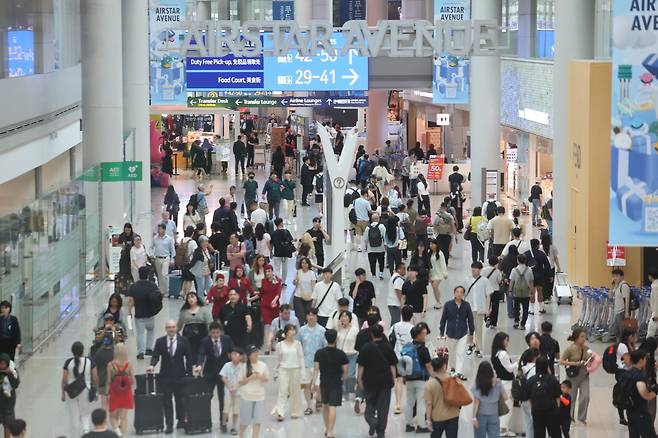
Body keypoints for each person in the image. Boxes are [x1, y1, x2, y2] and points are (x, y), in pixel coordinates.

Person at [147, 320, 193, 434]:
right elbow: (155, 355)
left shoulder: (184, 341)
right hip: (165, 377)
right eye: (169, 327)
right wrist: (152, 365)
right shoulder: (160, 341)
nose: (171, 329)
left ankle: (181, 420)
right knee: (167, 401)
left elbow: (189, 358)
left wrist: (189, 373)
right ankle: (169, 424)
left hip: (180, 376)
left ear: (176, 328)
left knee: (180, 400)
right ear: (166, 329)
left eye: (173, 327)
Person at [357, 323, 398, 438]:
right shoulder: (388, 347)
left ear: (371, 334)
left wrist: (359, 379)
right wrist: (393, 378)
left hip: (369, 381)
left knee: (369, 404)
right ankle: (381, 432)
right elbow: (392, 365)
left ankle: (372, 421)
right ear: (382, 333)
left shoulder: (366, 348)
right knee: (383, 408)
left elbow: (361, 366)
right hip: (385, 381)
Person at [194, 321, 234, 433]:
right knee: (207, 397)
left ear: (220, 332)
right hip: (209, 373)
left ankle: (223, 422)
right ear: (209, 333)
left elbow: (233, 352)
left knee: (223, 399)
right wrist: (199, 365)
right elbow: (201, 354)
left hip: (223, 373)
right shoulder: (205, 341)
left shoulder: (227, 339)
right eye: (213, 333)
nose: (215, 335)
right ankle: (206, 422)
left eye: (217, 332)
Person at [311, 329, 349, 438]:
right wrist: (343, 379)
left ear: (325, 338)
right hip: (336, 383)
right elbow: (346, 370)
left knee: (325, 406)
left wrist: (313, 383)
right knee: (333, 407)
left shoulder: (319, 353)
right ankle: (330, 431)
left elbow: (316, 369)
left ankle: (327, 428)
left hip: (324, 383)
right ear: (336, 338)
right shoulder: (341, 354)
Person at [439, 286, 475, 381]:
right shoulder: (448, 305)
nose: (459, 294)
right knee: (451, 352)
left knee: (460, 352)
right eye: (457, 292)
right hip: (450, 332)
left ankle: (459, 372)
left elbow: (470, 319)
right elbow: (443, 319)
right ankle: (452, 369)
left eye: (461, 292)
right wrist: (441, 331)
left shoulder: (466, 305)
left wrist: (472, 332)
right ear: (454, 293)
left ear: (463, 294)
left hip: (462, 332)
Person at [404, 324, 433, 433]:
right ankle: (421, 425)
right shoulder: (423, 349)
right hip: (421, 379)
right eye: (423, 333)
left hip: (408, 379)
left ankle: (408, 424)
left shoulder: (407, 347)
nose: (425, 335)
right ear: (418, 335)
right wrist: (434, 376)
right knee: (421, 402)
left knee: (409, 402)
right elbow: (428, 365)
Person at [127, 266, 161, 359]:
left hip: (139, 314)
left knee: (140, 333)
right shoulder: (153, 286)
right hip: (150, 313)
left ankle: (140, 352)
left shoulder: (134, 286)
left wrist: (129, 312)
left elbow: (130, 301)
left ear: (139, 274)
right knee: (151, 330)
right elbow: (157, 298)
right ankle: (149, 349)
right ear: (148, 275)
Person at [297, 309, 327, 414]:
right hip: (305, 362)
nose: (311, 317)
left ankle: (319, 399)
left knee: (318, 385)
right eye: (309, 315)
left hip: (318, 364)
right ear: (306, 317)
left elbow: (325, 346)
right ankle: (309, 406)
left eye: (313, 315)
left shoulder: (322, 330)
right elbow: (298, 345)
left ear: (316, 317)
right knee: (307, 385)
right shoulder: (301, 330)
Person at [559, 328, 591, 425]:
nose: (583, 339)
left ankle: (582, 418)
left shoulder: (586, 349)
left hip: (584, 375)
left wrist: (590, 362)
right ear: (576, 337)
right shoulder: (570, 349)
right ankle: (569, 416)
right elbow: (561, 361)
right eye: (582, 336)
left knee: (585, 396)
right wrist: (574, 363)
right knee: (571, 397)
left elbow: (590, 359)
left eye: (584, 337)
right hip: (572, 376)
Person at [272, 325, 304, 421]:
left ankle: (295, 411)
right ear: (286, 332)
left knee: (295, 391)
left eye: (293, 330)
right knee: (283, 390)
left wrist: (303, 372)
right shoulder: (280, 345)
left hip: (295, 368)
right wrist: (275, 372)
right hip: (283, 369)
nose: (293, 332)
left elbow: (301, 358)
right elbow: (277, 360)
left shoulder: (297, 344)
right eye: (290, 330)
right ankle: (280, 412)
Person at [424, 355, 461, 438]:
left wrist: (428, 420)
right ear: (444, 366)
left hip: (437, 417)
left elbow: (428, 403)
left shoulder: (429, 384)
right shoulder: (454, 381)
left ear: (433, 368)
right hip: (453, 416)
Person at [523, 357, 561, 438]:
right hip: (551, 410)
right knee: (555, 433)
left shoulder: (531, 380)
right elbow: (558, 397)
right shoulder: (552, 379)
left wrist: (534, 406)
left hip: (537, 411)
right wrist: (556, 410)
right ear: (547, 366)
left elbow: (528, 397)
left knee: (539, 434)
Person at [238, 345, 269, 438]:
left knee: (257, 420)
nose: (256, 354)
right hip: (246, 396)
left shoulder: (263, 365)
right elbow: (240, 382)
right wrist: (250, 378)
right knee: (245, 421)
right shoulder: (244, 367)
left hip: (259, 396)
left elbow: (266, 379)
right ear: (249, 355)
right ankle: (241, 435)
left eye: (256, 351)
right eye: (253, 352)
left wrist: (260, 377)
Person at [465, 261, 494, 359]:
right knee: (470, 328)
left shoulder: (485, 281)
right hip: (469, 308)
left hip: (480, 309)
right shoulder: (467, 280)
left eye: (476, 268)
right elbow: (463, 295)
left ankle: (478, 348)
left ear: (480, 270)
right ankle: (470, 344)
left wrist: (487, 309)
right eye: (472, 268)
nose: (473, 270)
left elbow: (488, 295)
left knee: (478, 330)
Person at [626, 349, 657, 437]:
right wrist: (653, 393)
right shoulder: (639, 375)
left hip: (630, 411)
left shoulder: (628, 373)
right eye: (645, 359)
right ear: (641, 360)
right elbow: (643, 392)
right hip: (640, 412)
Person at [62, 342, 91, 435]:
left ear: (72, 351)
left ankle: (75, 434)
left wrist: (62, 393)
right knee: (85, 413)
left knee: (74, 415)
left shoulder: (68, 362)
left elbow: (64, 380)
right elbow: (95, 376)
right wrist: (96, 389)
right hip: (85, 389)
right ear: (83, 350)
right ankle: (86, 431)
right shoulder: (89, 361)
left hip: (71, 392)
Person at [472, 361, 506, 438]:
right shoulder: (498, 383)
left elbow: (476, 402)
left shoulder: (478, 383)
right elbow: (505, 397)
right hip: (494, 415)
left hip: (480, 415)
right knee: (494, 436)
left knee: (480, 436)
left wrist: (473, 417)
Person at [106, 343, 134, 436]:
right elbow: (133, 380)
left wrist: (107, 394)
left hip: (115, 393)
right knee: (123, 417)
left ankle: (117, 432)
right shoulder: (129, 364)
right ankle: (121, 434)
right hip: (126, 393)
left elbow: (109, 381)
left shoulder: (110, 365)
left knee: (113, 416)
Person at [177, 291, 212, 361]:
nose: (190, 299)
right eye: (188, 298)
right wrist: (174, 332)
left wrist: (211, 333)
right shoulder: (184, 311)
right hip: (188, 335)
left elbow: (209, 322)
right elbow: (179, 324)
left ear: (197, 298)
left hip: (202, 334)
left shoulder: (204, 309)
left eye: (192, 297)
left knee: (201, 354)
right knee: (190, 355)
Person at [220, 347, 244, 435]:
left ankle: (234, 427)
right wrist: (230, 387)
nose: (233, 356)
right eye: (232, 354)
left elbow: (243, 379)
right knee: (226, 408)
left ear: (240, 356)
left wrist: (236, 387)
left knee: (236, 410)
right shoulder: (227, 365)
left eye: (235, 354)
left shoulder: (243, 366)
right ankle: (223, 423)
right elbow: (223, 377)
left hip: (238, 391)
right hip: (228, 390)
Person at [336, 311, 359, 400]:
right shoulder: (338, 329)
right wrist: (338, 329)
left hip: (352, 354)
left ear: (350, 319)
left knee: (350, 375)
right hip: (341, 355)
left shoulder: (355, 330)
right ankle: (343, 393)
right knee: (341, 375)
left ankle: (351, 390)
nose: (344, 318)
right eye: (342, 317)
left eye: (346, 316)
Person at [525, 239, 551, 315]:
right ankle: (541, 308)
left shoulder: (526, 254)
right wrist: (549, 275)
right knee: (540, 292)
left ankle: (531, 309)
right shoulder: (541, 254)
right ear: (537, 245)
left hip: (530, 276)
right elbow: (547, 265)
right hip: (540, 275)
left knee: (532, 292)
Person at [259, 265, 283, 351]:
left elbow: (278, 292)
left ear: (272, 271)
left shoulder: (278, 280)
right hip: (265, 305)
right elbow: (262, 292)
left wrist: (275, 299)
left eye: (269, 271)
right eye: (266, 271)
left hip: (275, 306)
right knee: (267, 325)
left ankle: (272, 342)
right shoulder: (263, 281)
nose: (268, 273)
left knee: (274, 325)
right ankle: (267, 346)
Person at [510, 254, 534, 330]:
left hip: (516, 292)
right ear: (525, 260)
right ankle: (523, 324)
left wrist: (510, 290)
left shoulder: (514, 270)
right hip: (526, 292)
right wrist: (532, 291)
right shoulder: (529, 270)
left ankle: (516, 321)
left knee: (516, 307)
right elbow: (531, 282)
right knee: (525, 308)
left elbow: (512, 281)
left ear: (517, 260)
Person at [150, 223, 175, 295]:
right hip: (157, 258)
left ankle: (167, 290)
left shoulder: (169, 239)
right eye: (158, 229)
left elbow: (172, 250)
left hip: (166, 258)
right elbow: (151, 247)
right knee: (159, 275)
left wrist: (172, 259)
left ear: (164, 229)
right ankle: (162, 290)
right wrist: (151, 254)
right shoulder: (155, 238)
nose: (159, 230)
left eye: (160, 229)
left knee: (164, 274)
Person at [292, 257, 316, 325]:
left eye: (306, 263)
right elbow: (294, 283)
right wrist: (296, 281)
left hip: (309, 297)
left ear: (308, 264)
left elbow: (313, 285)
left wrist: (314, 296)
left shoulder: (311, 273)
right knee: (300, 316)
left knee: (308, 315)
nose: (304, 264)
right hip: (298, 296)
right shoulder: (298, 272)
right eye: (303, 263)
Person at [271, 218, 294, 286]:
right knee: (285, 268)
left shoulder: (273, 233)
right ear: (281, 223)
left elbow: (271, 243)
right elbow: (291, 240)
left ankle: (278, 281)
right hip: (285, 253)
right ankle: (283, 282)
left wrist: (271, 252)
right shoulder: (286, 231)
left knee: (277, 268)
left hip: (277, 253)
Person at [481, 257, 503, 329]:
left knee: (487, 306)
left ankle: (487, 317)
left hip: (486, 291)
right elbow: (499, 281)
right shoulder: (497, 271)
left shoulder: (483, 270)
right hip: (495, 291)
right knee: (495, 307)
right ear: (496, 263)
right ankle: (493, 323)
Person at [364, 214, 386, 279]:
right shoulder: (381, 226)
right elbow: (384, 236)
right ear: (378, 219)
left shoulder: (368, 227)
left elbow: (366, 238)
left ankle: (373, 274)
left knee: (372, 262)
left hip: (371, 249)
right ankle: (381, 273)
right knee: (381, 261)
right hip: (380, 248)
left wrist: (366, 247)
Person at [611, 269, 631, 339]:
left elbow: (626, 300)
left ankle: (622, 346)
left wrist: (626, 312)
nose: (615, 278)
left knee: (621, 331)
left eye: (617, 276)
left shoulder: (624, 286)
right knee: (616, 331)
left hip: (622, 312)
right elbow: (610, 295)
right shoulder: (617, 286)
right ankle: (620, 345)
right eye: (613, 276)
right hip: (617, 311)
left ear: (622, 276)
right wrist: (613, 285)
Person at [428, 239, 448, 310]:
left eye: (433, 244)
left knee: (435, 286)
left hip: (439, 274)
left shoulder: (440, 253)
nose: (431, 246)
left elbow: (443, 264)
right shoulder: (429, 253)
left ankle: (438, 302)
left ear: (436, 245)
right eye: (430, 244)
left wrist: (445, 273)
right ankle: (437, 301)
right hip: (432, 273)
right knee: (434, 288)